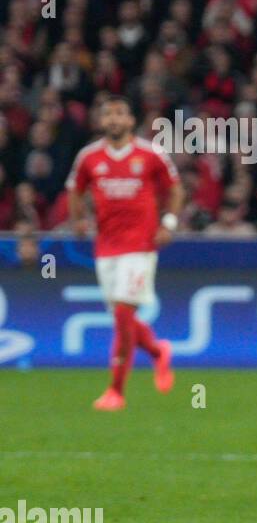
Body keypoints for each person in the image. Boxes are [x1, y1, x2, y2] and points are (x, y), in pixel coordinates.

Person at [66, 94, 180, 410]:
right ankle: (158, 352)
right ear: (101, 121)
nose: (114, 119)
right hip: (106, 248)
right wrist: (78, 220)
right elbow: (74, 188)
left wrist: (168, 223)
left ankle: (116, 391)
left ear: (131, 120)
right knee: (123, 318)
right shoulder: (89, 157)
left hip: (141, 246)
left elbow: (175, 188)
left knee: (122, 314)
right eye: (108, 114)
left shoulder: (150, 153)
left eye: (120, 113)